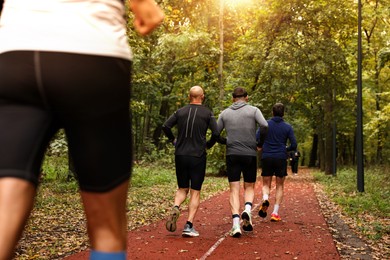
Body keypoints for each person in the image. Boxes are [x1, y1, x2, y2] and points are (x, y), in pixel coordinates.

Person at [0, 1, 164, 259]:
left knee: (5, 199)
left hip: (15, 50)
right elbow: (149, 14)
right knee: (107, 227)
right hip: (94, 50)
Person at [162, 86, 222, 237]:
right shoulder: (207, 113)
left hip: (180, 154)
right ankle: (188, 226)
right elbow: (216, 133)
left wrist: (173, 140)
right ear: (202, 96)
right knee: (195, 191)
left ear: (189, 96)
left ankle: (176, 206)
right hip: (197, 155)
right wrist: (208, 144)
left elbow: (166, 126)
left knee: (182, 188)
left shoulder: (180, 111)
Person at [217, 87, 268, 237]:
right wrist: (260, 143)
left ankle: (235, 225)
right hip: (249, 153)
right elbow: (265, 125)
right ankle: (247, 209)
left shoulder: (225, 113)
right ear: (246, 97)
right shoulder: (254, 110)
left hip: (232, 153)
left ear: (233, 98)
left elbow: (215, 132)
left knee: (234, 188)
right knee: (249, 186)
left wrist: (226, 141)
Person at [257, 103, 297, 222]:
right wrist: (286, 149)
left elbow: (257, 138)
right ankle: (275, 213)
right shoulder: (287, 127)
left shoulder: (265, 124)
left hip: (267, 156)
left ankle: (265, 198)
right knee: (279, 185)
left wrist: (262, 145)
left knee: (266, 183)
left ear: (272, 112)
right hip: (280, 157)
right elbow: (294, 145)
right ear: (283, 113)